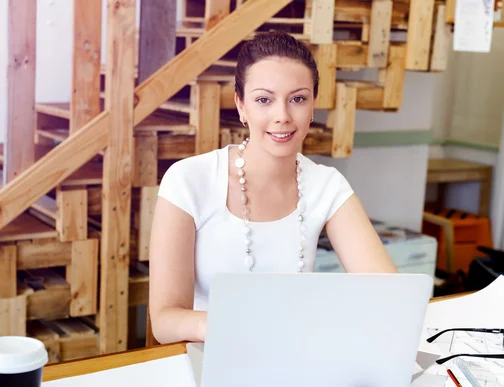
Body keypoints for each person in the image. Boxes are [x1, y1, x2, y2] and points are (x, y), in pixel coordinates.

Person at [148, 31, 397, 345]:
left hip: (294, 352)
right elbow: (165, 319)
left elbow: (389, 295)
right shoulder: (188, 180)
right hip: (210, 355)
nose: (282, 116)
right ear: (241, 106)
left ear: (312, 106)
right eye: (264, 100)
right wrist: (240, 328)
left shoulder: (327, 185)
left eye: (297, 99)